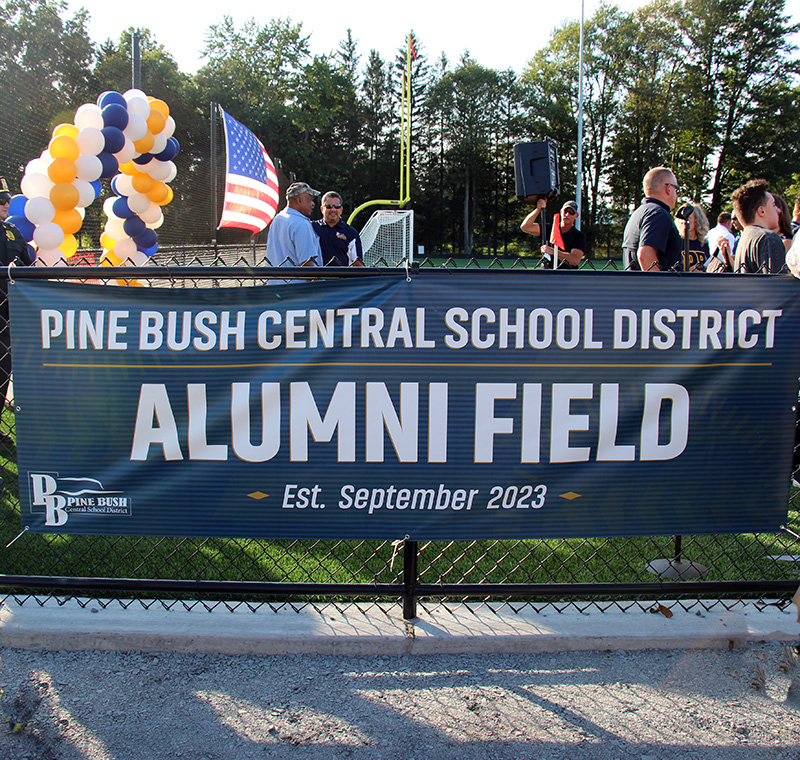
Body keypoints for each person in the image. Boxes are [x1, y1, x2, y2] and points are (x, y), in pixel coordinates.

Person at [0, 177, 33, 441]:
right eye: (0, 200)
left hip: (7, 317)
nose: (5, 204)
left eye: (6, 200)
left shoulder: (12, 232)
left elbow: (27, 264)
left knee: (3, 373)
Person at [622, 167, 683, 271]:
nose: (676, 194)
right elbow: (645, 255)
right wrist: (658, 285)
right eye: (676, 189)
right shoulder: (658, 214)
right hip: (655, 286)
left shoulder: (639, 213)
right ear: (668, 188)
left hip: (634, 284)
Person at [266, 182, 323, 276]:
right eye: (310, 199)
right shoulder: (301, 223)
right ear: (299, 200)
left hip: (276, 285)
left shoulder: (277, 219)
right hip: (298, 287)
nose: (313, 204)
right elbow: (307, 265)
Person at [731, 179, 785, 274]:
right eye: (773, 205)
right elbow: (778, 286)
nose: (778, 210)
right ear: (762, 211)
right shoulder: (768, 238)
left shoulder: (744, 238)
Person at [521, 199, 586, 269]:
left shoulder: (579, 236)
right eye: (565, 211)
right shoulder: (550, 229)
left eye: (571, 212)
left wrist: (554, 252)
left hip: (568, 275)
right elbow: (525, 227)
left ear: (576, 216)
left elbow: (574, 260)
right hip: (548, 274)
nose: (567, 215)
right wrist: (538, 209)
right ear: (561, 212)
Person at [312, 191, 364, 267]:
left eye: (337, 206)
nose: (333, 209)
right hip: (317, 277)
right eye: (329, 206)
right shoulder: (312, 228)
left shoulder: (351, 232)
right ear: (322, 209)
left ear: (341, 209)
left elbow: (357, 264)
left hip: (342, 277)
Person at [675, 204, 710, 271]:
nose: (683, 221)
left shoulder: (703, 244)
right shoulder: (676, 243)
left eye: (689, 217)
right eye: (681, 218)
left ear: (697, 220)